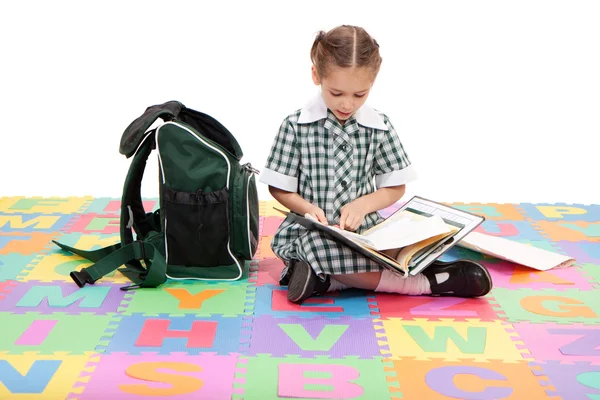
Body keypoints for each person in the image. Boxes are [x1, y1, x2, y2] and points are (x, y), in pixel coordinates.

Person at [259, 25, 492, 303]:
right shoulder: (295, 126)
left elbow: (394, 187)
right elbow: (280, 188)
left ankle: (327, 281)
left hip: (366, 235)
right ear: (315, 75)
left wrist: (363, 206)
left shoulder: (379, 127)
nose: (347, 103)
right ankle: (424, 283)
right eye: (336, 93)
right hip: (311, 232)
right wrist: (308, 209)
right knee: (314, 246)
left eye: (360, 94)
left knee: (406, 245)